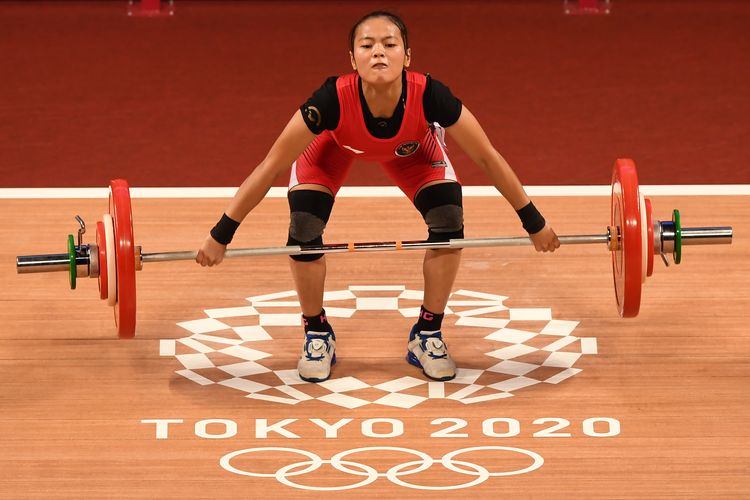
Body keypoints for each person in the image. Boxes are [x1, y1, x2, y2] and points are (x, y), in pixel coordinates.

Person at [196, 11, 560, 384]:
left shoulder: (432, 96)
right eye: (367, 46)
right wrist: (221, 234)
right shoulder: (330, 100)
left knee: (449, 218)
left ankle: (428, 334)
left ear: (407, 56)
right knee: (304, 224)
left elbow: (487, 156)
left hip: (412, 150)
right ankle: (317, 333)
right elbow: (272, 165)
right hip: (332, 147)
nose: (379, 53)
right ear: (352, 60)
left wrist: (533, 221)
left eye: (390, 44)